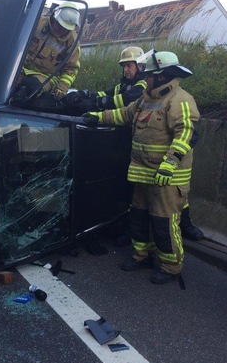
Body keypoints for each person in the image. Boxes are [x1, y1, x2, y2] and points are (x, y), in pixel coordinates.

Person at [82, 50, 200, 283]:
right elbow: (124, 114)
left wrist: (170, 162)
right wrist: (98, 117)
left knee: (163, 222)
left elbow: (187, 133)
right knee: (138, 217)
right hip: (143, 173)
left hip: (167, 178)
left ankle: (170, 267)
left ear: (164, 76)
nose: (146, 79)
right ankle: (142, 256)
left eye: (151, 75)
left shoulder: (180, 99)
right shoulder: (146, 99)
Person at [11, 1, 81, 110]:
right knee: (10, 84)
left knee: (32, 87)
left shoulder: (73, 43)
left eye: (65, 28)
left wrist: (62, 87)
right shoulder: (38, 23)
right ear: (54, 17)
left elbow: (71, 69)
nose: (61, 30)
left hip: (47, 77)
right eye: (59, 25)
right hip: (22, 68)